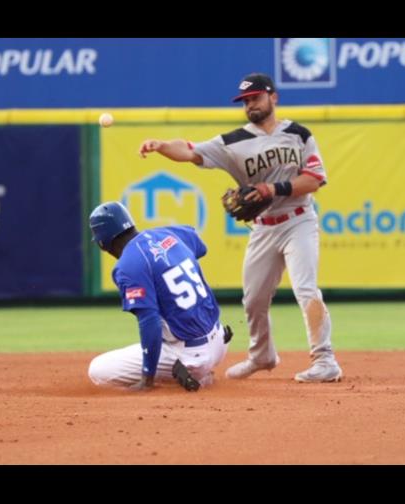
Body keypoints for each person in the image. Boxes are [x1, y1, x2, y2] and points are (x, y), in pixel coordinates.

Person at [138, 72, 342, 383]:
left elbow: (314, 180)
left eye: (256, 98)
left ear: (273, 97)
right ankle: (262, 356)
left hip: (299, 219)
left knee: (305, 289)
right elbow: (191, 150)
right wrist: (162, 145)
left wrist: (273, 190)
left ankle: (325, 360)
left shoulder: (299, 134)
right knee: (254, 298)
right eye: (245, 101)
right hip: (263, 228)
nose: (250, 105)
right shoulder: (234, 142)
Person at [87, 201, 232, 391]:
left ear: (102, 242)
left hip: (191, 356)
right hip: (220, 341)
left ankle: (190, 377)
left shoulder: (127, 265)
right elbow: (200, 246)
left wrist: (147, 378)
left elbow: (149, 322)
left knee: (98, 370)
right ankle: (198, 370)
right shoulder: (167, 233)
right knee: (169, 317)